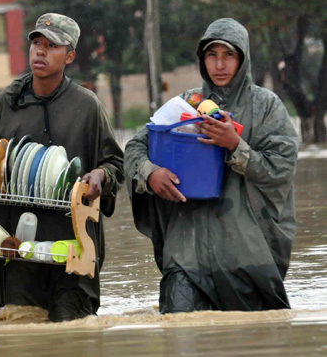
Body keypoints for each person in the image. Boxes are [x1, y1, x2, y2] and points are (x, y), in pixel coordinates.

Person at [124, 18, 299, 313]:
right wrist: (150, 173)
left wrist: (235, 146)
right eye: (211, 55)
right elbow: (136, 146)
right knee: (179, 331)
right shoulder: (186, 104)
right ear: (202, 59)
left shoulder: (266, 107)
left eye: (228, 55)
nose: (219, 64)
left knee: (255, 337)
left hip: (245, 257)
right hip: (186, 255)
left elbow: (281, 168)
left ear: (242, 59)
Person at [0, 13, 125, 322]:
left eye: (52, 46)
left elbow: (115, 163)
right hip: (15, 250)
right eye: (37, 43)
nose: (40, 51)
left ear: (70, 56)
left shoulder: (87, 106)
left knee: (71, 326)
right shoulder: (7, 102)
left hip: (71, 245)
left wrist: (99, 176)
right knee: (19, 324)